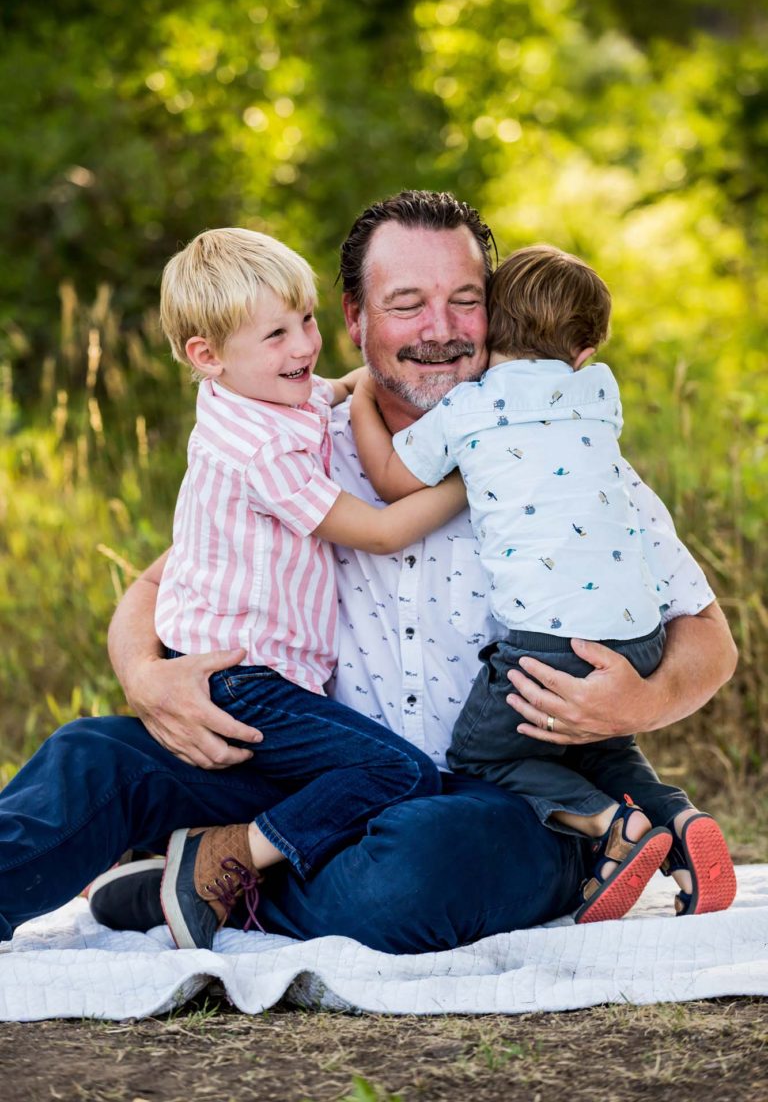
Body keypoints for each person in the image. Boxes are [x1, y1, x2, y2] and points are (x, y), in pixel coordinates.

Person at [0, 192, 737, 953]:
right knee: (92, 758)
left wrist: (640, 701)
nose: (441, 330)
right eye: (407, 304)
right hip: (311, 772)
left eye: (466, 301)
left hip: (496, 793)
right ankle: (205, 869)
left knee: (420, 866)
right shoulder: (296, 437)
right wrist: (145, 676)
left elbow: (709, 634)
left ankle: (196, 881)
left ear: (501, 313)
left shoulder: (563, 453)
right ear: (354, 320)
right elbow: (162, 581)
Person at [350, 243, 736, 923]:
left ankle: (609, 824)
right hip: (634, 641)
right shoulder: (599, 399)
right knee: (603, 744)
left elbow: (387, 479)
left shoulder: (470, 409)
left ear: (488, 325)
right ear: (585, 352)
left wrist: (353, 391)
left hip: (546, 645)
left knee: (479, 752)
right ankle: (676, 821)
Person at [127, 226, 472, 948]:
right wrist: (467, 482)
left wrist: (377, 386)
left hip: (265, 676)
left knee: (379, 782)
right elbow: (378, 531)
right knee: (398, 773)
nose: (304, 346)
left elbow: (338, 390)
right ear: (207, 356)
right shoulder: (259, 450)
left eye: (307, 321)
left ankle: (181, 867)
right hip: (243, 678)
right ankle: (223, 860)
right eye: (277, 334)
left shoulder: (266, 399)